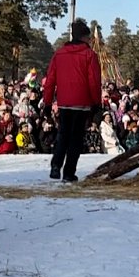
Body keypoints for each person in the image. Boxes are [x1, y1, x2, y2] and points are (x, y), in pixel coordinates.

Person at [42, 20, 102, 182]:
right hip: (82, 102)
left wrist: (47, 102)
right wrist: (97, 103)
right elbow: (94, 81)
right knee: (76, 139)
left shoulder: (59, 54)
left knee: (63, 135)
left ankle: (56, 165)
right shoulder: (90, 55)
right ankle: (69, 172)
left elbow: (50, 80)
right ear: (84, 37)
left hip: (64, 101)